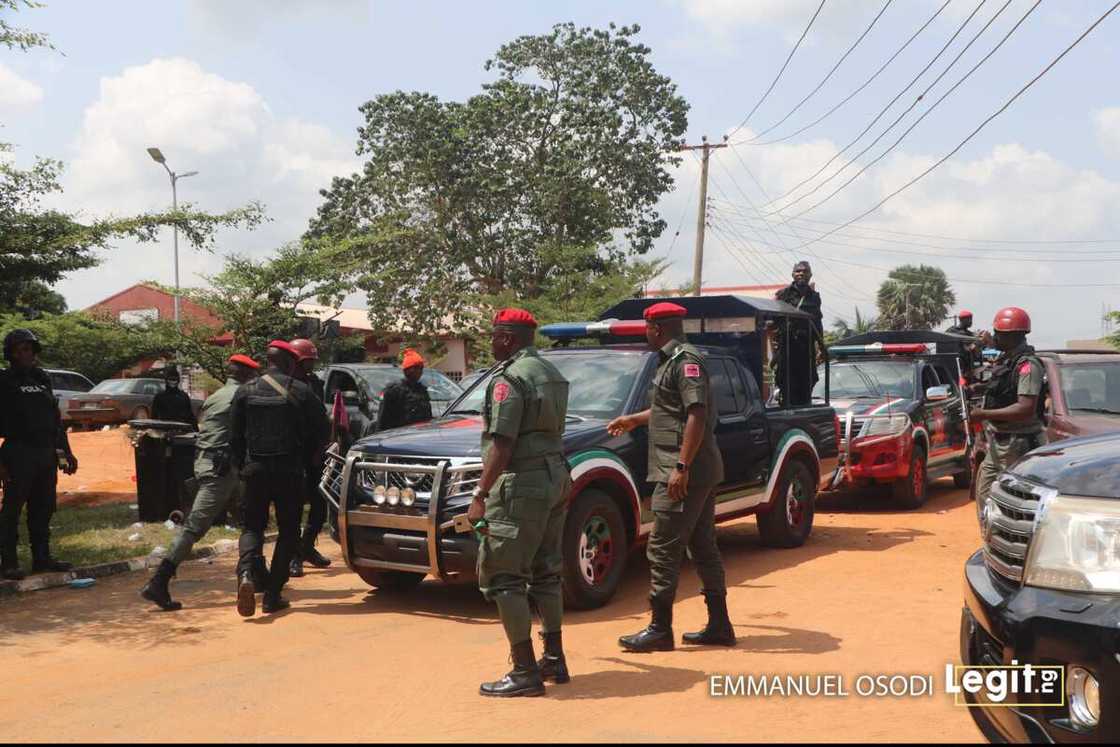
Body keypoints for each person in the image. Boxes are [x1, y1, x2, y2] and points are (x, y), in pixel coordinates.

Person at [608, 302, 734, 652]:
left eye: (647, 328)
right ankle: (720, 624)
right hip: (694, 468)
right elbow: (671, 408)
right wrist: (634, 419)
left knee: (662, 546)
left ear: (657, 329)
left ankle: (659, 629)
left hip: (682, 471)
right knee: (703, 545)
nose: (645, 334)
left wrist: (681, 467)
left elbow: (696, 413)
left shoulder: (685, 362)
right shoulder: (673, 360)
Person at [465, 308, 571, 697]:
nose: (490, 343)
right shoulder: (551, 374)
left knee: (503, 574)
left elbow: (502, 443)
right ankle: (554, 659)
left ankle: (525, 672)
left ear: (507, 339)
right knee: (547, 571)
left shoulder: (509, 379)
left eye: (493, 337)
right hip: (556, 477)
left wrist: (479, 495)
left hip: (522, 485)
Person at [140, 354, 260, 610]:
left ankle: (257, 574)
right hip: (223, 470)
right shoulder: (242, 396)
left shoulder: (216, 396)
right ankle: (158, 582)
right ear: (247, 375)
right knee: (195, 527)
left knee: (250, 522)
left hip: (211, 465)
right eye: (253, 375)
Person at [229, 340, 322, 616]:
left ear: (268, 361)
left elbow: (234, 436)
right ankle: (272, 595)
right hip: (289, 472)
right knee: (289, 531)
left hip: (254, 470)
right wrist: (308, 463)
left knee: (252, 528)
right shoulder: (302, 391)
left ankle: (246, 574)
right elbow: (322, 433)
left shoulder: (245, 391)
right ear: (290, 363)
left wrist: (242, 468)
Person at [0, 329, 77, 580]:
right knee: (12, 510)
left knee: (43, 509)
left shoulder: (42, 378)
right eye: (19, 350)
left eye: (29, 349)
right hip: (18, 452)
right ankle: (9, 563)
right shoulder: (5, 381)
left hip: (45, 453)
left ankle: (42, 559)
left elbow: (55, 420)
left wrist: (66, 451)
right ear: (10, 354)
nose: (25, 354)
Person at [969, 307, 1045, 508]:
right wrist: (981, 387)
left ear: (1013, 336)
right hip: (998, 441)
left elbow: (1025, 408)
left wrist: (983, 414)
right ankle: (990, 537)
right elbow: (1006, 388)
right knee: (984, 493)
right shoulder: (1009, 361)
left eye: (999, 334)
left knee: (1015, 501)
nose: (995, 337)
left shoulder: (1028, 365)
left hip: (1018, 443)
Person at [287, 338, 332, 578]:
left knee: (319, 505)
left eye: (312, 361)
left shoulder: (315, 383)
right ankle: (295, 556)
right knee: (294, 507)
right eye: (306, 361)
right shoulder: (286, 384)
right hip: (293, 453)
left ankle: (306, 547)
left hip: (315, 452)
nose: (310, 366)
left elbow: (321, 417)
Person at [773, 260, 826, 405]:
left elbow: (817, 322)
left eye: (804, 271)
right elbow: (774, 321)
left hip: (806, 348)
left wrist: (822, 347)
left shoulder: (814, 297)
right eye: (798, 271)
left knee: (807, 382)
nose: (801, 273)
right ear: (792, 274)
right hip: (788, 348)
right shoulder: (783, 294)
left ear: (810, 275)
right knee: (787, 383)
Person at [376, 348, 433, 431]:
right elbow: (383, 419)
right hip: (399, 435)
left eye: (421, 368)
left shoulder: (422, 390)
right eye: (417, 368)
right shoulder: (393, 391)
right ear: (407, 370)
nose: (420, 371)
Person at [945, 310, 984, 382]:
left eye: (971, 319)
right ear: (961, 320)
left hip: (966, 367)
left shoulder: (967, 333)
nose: (971, 321)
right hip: (959, 365)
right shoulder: (953, 331)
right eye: (968, 319)